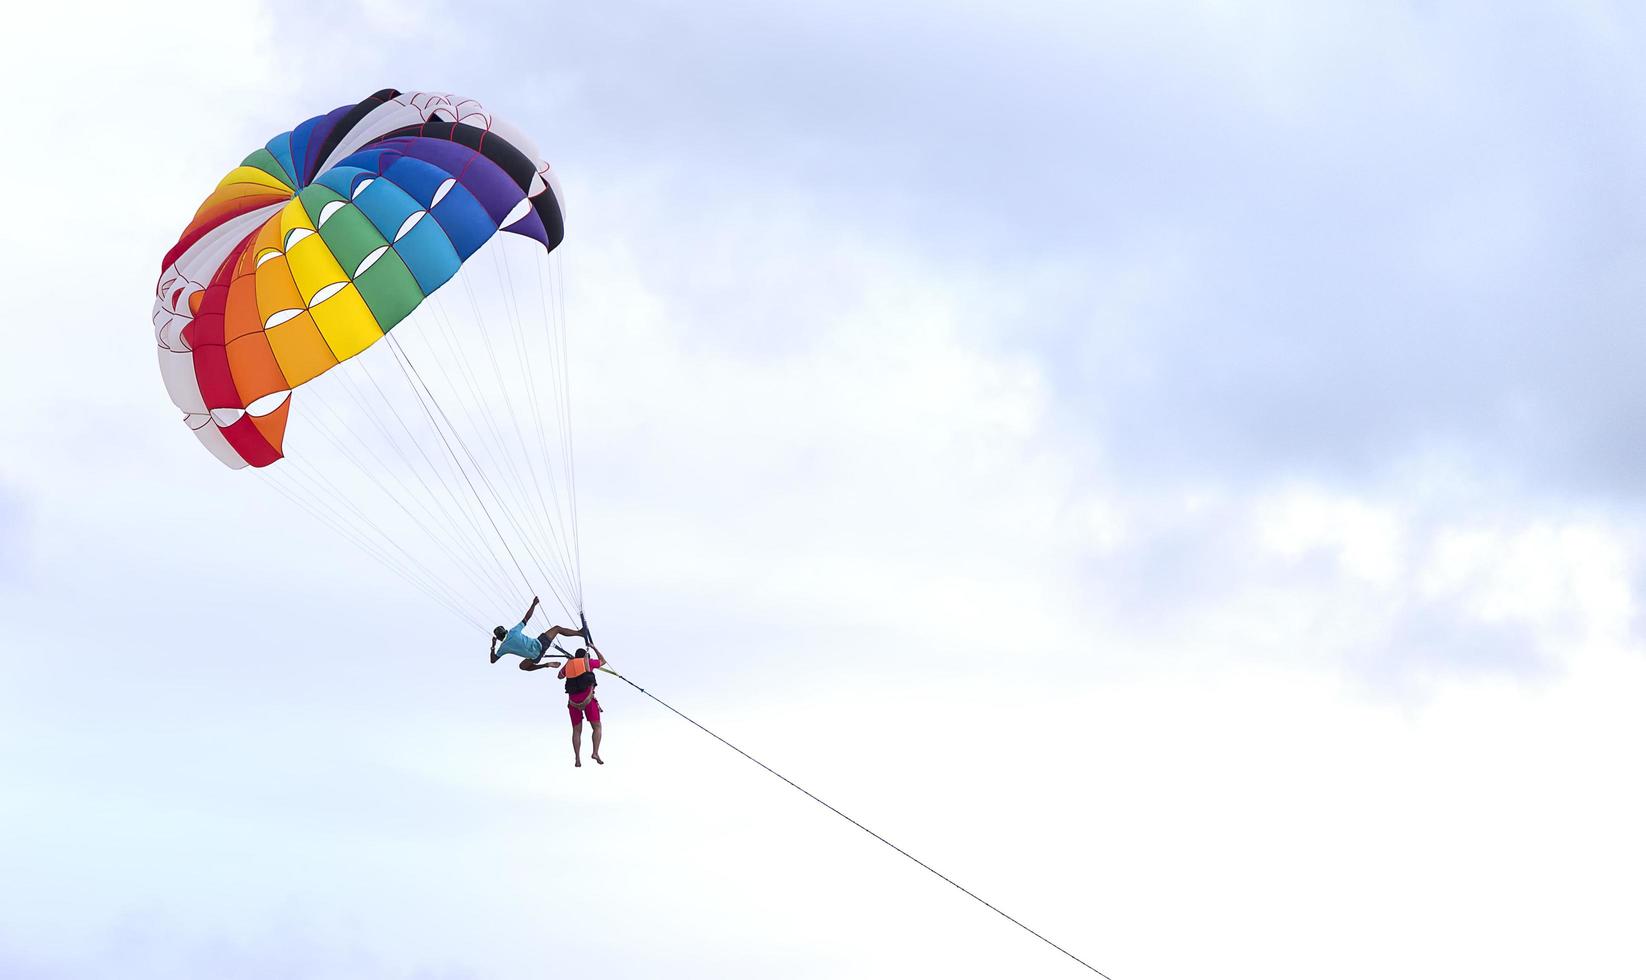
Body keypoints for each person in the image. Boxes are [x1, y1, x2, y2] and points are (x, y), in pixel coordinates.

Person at [489, 596, 585, 669]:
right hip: (541, 644)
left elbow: (493, 660)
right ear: (505, 631)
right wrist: (534, 604)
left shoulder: (503, 648)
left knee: (522, 667)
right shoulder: (512, 632)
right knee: (557, 629)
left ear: (499, 638)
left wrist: (493, 645)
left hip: (536, 657)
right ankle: (581, 633)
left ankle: (546, 665)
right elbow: (526, 618)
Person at [553, 643, 609, 767]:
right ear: (585, 656)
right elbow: (603, 661)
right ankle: (595, 753)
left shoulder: (568, 665)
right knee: (597, 727)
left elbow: (559, 676)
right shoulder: (587, 662)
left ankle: (577, 758)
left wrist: (569, 662)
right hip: (588, 700)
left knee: (576, 731)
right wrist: (594, 648)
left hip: (573, 703)